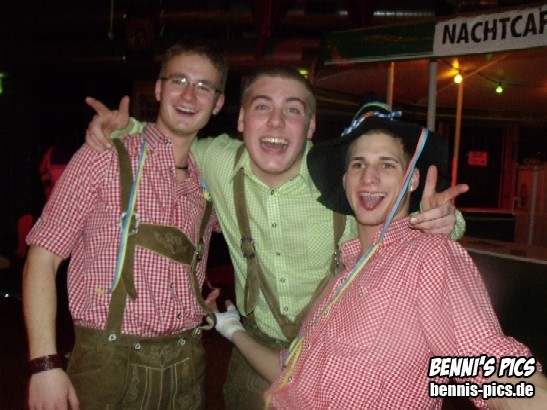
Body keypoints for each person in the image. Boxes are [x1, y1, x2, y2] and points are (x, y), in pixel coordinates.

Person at [85, 67, 468, 409]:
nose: (276, 122)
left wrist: (445, 221)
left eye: (293, 110)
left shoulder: (342, 181)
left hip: (330, 357)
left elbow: (402, 224)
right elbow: (171, 141)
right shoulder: (216, 160)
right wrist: (123, 128)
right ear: (241, 119)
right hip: (255, 355)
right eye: (262, 106)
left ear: (311, 127)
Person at [211, 102, 547, 409]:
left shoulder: (426, 256)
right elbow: (292, 373)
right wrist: (232, 329)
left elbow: (490, 365)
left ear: (412, 179)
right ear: (345, 181)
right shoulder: (342, 276)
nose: (369, 177)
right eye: (358, 164)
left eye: (387, 164)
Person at [23, 37, 228, 409]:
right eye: (179, 81)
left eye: (204, 86)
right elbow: (43, 257)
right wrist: (45, 364)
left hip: (187, 365)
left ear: (218, 102)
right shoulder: (104, 155)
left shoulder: (209, 180)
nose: (189, 95)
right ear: (158, 89)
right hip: (109, 365)